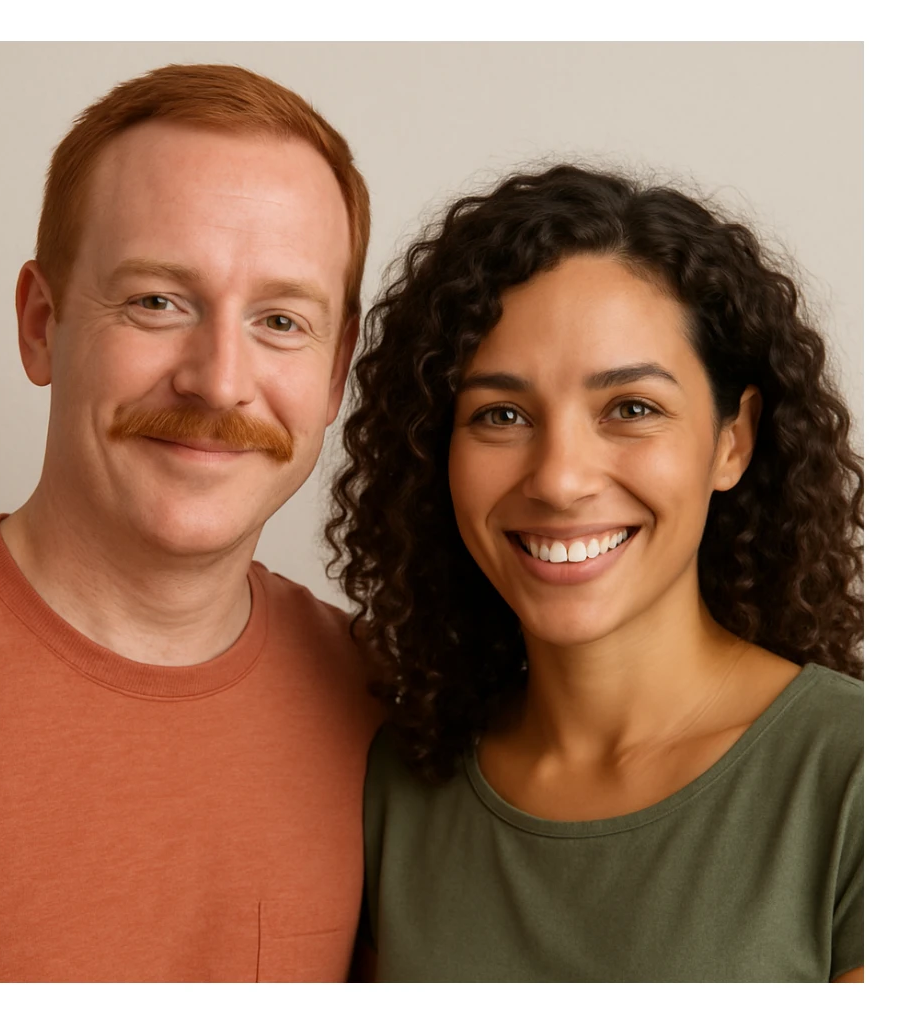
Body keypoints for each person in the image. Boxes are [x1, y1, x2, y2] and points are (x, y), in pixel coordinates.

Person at [328, 163, 864, 982]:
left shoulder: (860, 777)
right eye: (501, 414)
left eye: (631, 409)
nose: (558, 479)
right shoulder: (397, 788)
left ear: (733, 441)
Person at [0, 64, 380, 982]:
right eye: (157, 302)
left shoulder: (383, 708)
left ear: (335, 372)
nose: (218, 381)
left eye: (281, 321)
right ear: (41, 324)